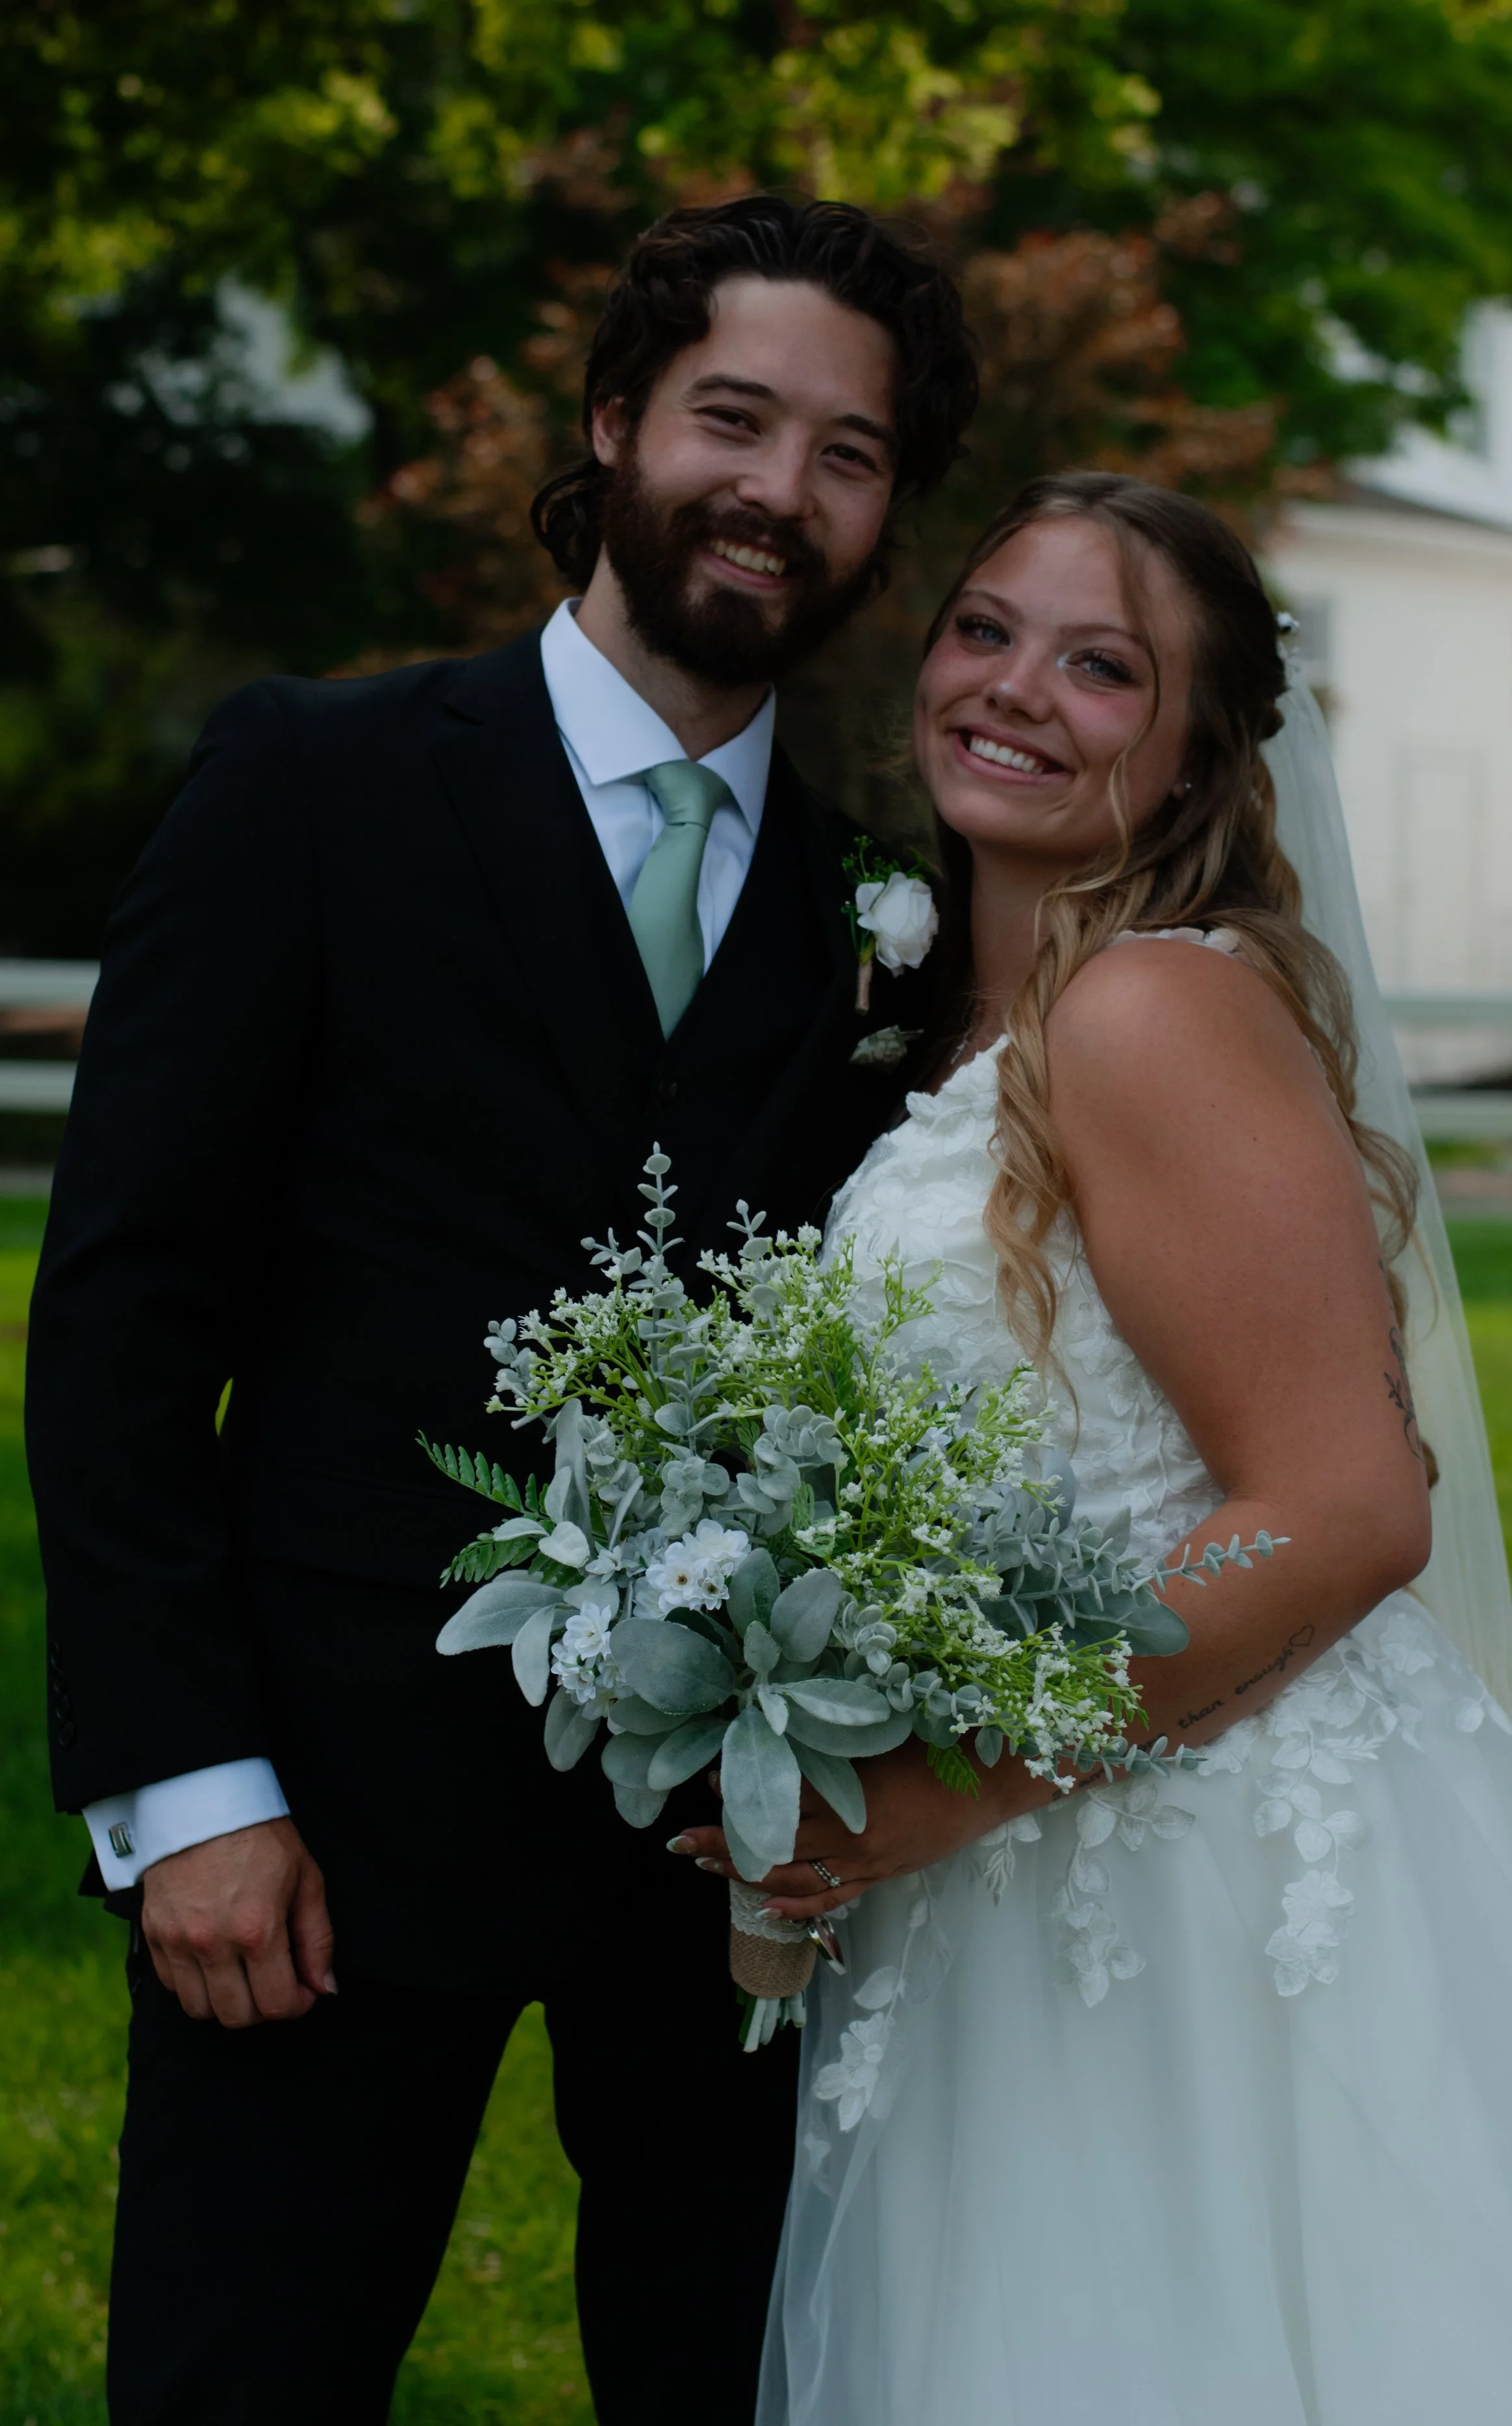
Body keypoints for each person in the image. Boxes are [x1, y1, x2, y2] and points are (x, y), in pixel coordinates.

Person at [24, 194, 977, 2423]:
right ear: (614, 418)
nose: (778, 488)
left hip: (742, 1860)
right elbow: (128, 1310)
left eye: (847, 453)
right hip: (321, 1833)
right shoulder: (314, 779)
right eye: (733, 416)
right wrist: (186, 1786)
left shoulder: (887, 902)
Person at [671, 473, 1512, 2423]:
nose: (1014, 687)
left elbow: (1348, 1505)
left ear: (1197, 755)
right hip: (1022, 1865)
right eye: (984, 629)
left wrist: (957, 1779)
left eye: (1102, 666)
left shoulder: (1145, 1011)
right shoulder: (967, 1023)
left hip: (1200, 1876)